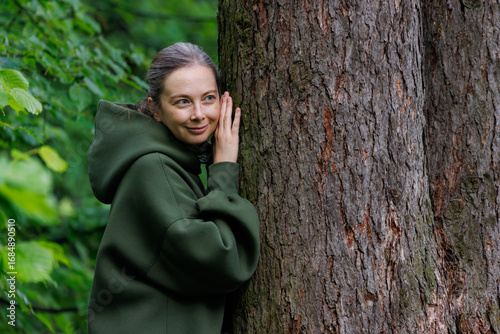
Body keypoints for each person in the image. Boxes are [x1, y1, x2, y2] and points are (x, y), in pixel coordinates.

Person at [86, 42, 260, 333]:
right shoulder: (152, 168)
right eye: (182, 102)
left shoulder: (169, 160)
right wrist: (223, 170)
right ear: (155, 109)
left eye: (208, 98)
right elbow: (223, 261)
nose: (199, 114)